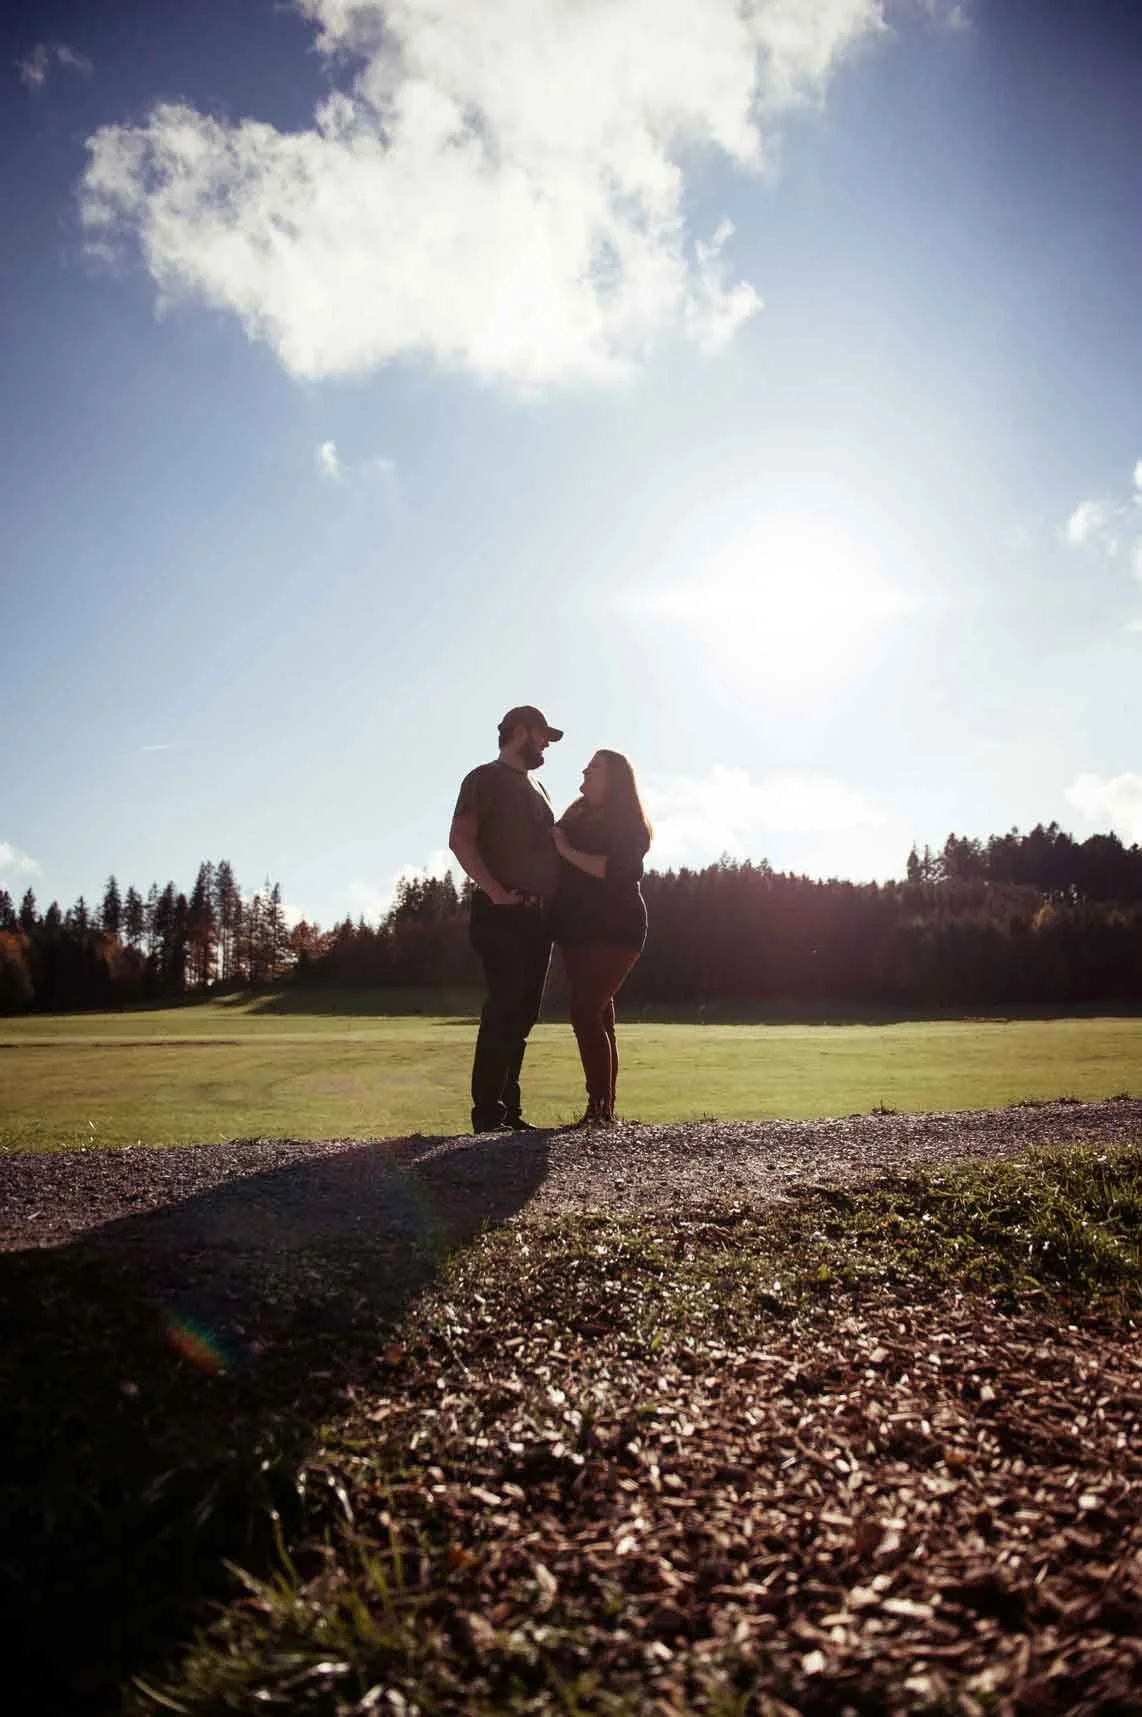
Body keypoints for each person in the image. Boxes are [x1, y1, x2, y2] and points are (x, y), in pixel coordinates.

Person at [449, 705, 563, 1134]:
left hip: (538, 918)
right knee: (506, 1001)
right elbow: (460, 839)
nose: (547, 744)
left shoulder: (539, 787)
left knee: (525, 1013)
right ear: (518, 732)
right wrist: (496, 892)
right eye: (542, 735)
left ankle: (509, 1112)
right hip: (500, 912)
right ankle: (487, 1114)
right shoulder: (483, 779)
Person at [551, 750, 652, 1127]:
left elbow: (613, 870)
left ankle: (598, 1109)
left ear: (614, 779)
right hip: (577, 929)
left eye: (594, 767)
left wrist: (564, 849)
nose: (585, 770)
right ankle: (604, 1111)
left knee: (585, 1010)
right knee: (601, 1015)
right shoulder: (576, 813)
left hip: (617, 928)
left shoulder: (630, 824)